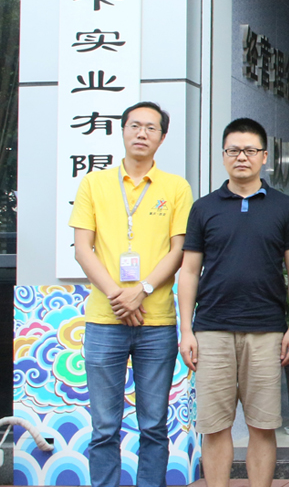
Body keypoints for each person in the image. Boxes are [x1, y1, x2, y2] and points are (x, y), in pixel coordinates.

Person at [70, 101, 193, 487]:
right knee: (104, 425)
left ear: (162, 137)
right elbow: (82, 249)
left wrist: (141, 291)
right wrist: (118, 296)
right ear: (122, 130)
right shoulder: (94, 184)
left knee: (154, 424)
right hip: (104, 320)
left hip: (156, 322)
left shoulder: (176, 187)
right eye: (135, 125)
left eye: (151, 128)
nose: (142, 133)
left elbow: (179, 250)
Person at [177, 118, 289, 487]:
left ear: (264, 157)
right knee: (214, 426)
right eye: (233, 150)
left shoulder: (284, 207)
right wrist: (186, 330)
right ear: (223, 156)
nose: (241, 157)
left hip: (266, 330)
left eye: (250, 150)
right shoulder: (204, 208)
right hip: (212, 329)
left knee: (262, 425)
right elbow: (189, 271)